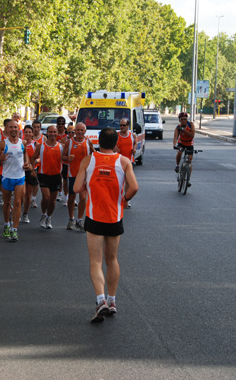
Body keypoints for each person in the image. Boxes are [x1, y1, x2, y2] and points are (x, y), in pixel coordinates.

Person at [73, 127, 138, 323]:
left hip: (94, 217)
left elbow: (76, 188)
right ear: (116, 143)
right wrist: (124, 199)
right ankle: (112, 300)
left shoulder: (89, 160)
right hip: (114, 217)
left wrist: (86, 186)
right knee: (112, 260)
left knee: (95, 262)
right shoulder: (124, 161)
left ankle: (100, 300)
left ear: (98, 142)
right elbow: (134, 187)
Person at [0, 119, 30, 242]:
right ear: (7, 129)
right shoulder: (3, 143)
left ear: (18, 129)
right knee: (7, 203)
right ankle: (6, 224)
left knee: (18, 203)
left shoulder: (22, 142)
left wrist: (27, 164)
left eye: (15, 127)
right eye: (11, 127)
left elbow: (25, 155)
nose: (13, 129)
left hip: (20, 177)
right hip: (7, 176)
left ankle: (14, 229)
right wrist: (1, 159)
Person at [31, 125, 63, 229]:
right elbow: (33, 157)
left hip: (56, 175)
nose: (52, 134)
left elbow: (64, 159)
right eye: (50, 132)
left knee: (52, 200)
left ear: (57, 133)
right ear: (47, 133)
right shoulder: (41, 146)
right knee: (46, 197)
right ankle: (43, 214)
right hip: (44, 174)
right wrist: (32, 169)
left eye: (54, 132)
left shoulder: (61, 146)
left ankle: (49, 217)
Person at [62, 122, 93, 230]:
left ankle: (79, 220)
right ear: (74, 131)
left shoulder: (88, 142)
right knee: (71, 197)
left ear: (85, 131)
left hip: (85, 174)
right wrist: (67, 158)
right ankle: (71, 219)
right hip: (72, 174)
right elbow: (63, 157)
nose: (79, 132)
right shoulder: (69, 142)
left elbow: (93, 155)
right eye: (78, 130)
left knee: (83, 197)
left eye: (82, 130)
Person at [114, 118, 137, 208]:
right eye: (120, 125)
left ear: (128, 126)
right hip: (118, 162)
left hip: (129, 162)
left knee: (128, 182)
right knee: (118, 182)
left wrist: (134, 149)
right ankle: (117, 198)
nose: (121, 127)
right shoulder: (116, 135)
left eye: (123, 125)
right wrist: (114, 149)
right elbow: (111, 146)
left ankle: (126, 200)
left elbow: (135, 143)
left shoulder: (132, 135)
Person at [21, 125, 39, 223]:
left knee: (27, 195)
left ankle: (25, 214)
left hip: (31, 171)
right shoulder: (19, 143)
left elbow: (40, 158)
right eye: (26, 132)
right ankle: (18, 211)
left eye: (29, 132)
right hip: (20, 171)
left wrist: (35, 162)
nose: (28, 134)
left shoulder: (35, 144)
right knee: (21, 193)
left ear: (32, 134)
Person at [173, 112, 195, 185]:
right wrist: (174, 145)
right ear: (179, 120)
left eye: (185, 119)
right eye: (182, 119)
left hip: (189, 143)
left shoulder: (191, 125)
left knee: (189, 160)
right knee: (179, 152)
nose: (183, 121)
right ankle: (177, 165)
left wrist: (184, 130)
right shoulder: (178, 127)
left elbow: (192, 135)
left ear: (187, 120)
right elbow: (175, 137)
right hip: (181, 143)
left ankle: (188, 179)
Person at [29, 120, 44, 208]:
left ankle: (33, 199)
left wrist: (38, 160)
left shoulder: (43, 138)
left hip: (39, 164)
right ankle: (27, 197)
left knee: (36, 182)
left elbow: (45, 152)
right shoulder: (28, 137)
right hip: (29, 163)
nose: (36, 129)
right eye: (34, 127)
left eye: (38, 127)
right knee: (28, 183)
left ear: (40, 128)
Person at [55, 116, 69, 204]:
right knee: (59, 176)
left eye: (62, 123)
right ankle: (59, 193)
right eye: (59, 123)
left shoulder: (67, 133)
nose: (60, 125)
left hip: (65, 158)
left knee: (65, 178)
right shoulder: (54, 133)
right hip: (56, 157)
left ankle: (65, 195)